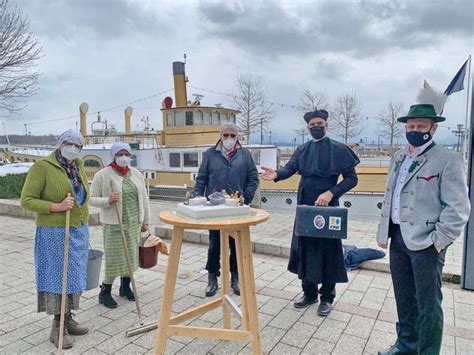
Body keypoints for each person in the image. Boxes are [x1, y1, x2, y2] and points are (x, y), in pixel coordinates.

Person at [376, 104, 470, 355]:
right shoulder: (398, 157)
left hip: (426, 242)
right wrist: (382, 232)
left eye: (421, 126)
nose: (415, 130)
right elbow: (390, 196)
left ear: (433, 128)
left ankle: (427, 351)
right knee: (404, 296)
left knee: (428, 303)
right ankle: (405, 344)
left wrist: (438, 240)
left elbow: (458, 207)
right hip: (397, 236)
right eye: (411, 126)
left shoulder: (448, 159)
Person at [261, 109, 359, 317]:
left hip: (329, 205)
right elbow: (289, 169)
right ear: (308, 128)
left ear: (326, 125)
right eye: (312, 124)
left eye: (320, 123)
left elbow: (352, 179)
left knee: (329, 250)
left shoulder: (339, 149)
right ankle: (309, 293)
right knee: (306, 248)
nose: (316, 127)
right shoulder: (302, 150)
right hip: (305, 204)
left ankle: (327, 297)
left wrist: (331, 193)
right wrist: (277, 173)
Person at [21, 130, 90, 349]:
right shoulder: (42, 167)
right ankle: (57, 327)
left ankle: (68, 319)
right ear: (60, 144)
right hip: (53, 233)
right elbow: (27, 200)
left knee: (74, 277)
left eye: (78, 146)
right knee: (58, 278)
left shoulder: (78, 166)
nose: (74, 149)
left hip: (77, 230)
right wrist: (56, 207)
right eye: (70, 144)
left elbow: (82, 197)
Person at [192, 122, 259, 297]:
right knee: (214, 245)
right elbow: (201, 179)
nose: (229, 138)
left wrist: (246, 197)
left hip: (236, 209)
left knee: (235, 245)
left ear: (237, 137)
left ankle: (235, 278)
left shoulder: (245, 155)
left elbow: (253, 178)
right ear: (220, 135)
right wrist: (196, 196)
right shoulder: (210, 154)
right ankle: (212, 278)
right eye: (226, 135)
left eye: (233, 135)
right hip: (214, 209)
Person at [89, 143, 151, 308]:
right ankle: (105, 291)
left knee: (131, 256)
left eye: (126, 154)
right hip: (114, 224)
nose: (123, 157)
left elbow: (144, 199)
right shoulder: (103, 175)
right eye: (120, 154)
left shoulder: (136, 173)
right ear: (113, 155)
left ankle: (125, 287)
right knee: (114, 259)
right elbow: (91, 198)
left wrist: (146, 220)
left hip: (134, 223)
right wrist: (108, 200)